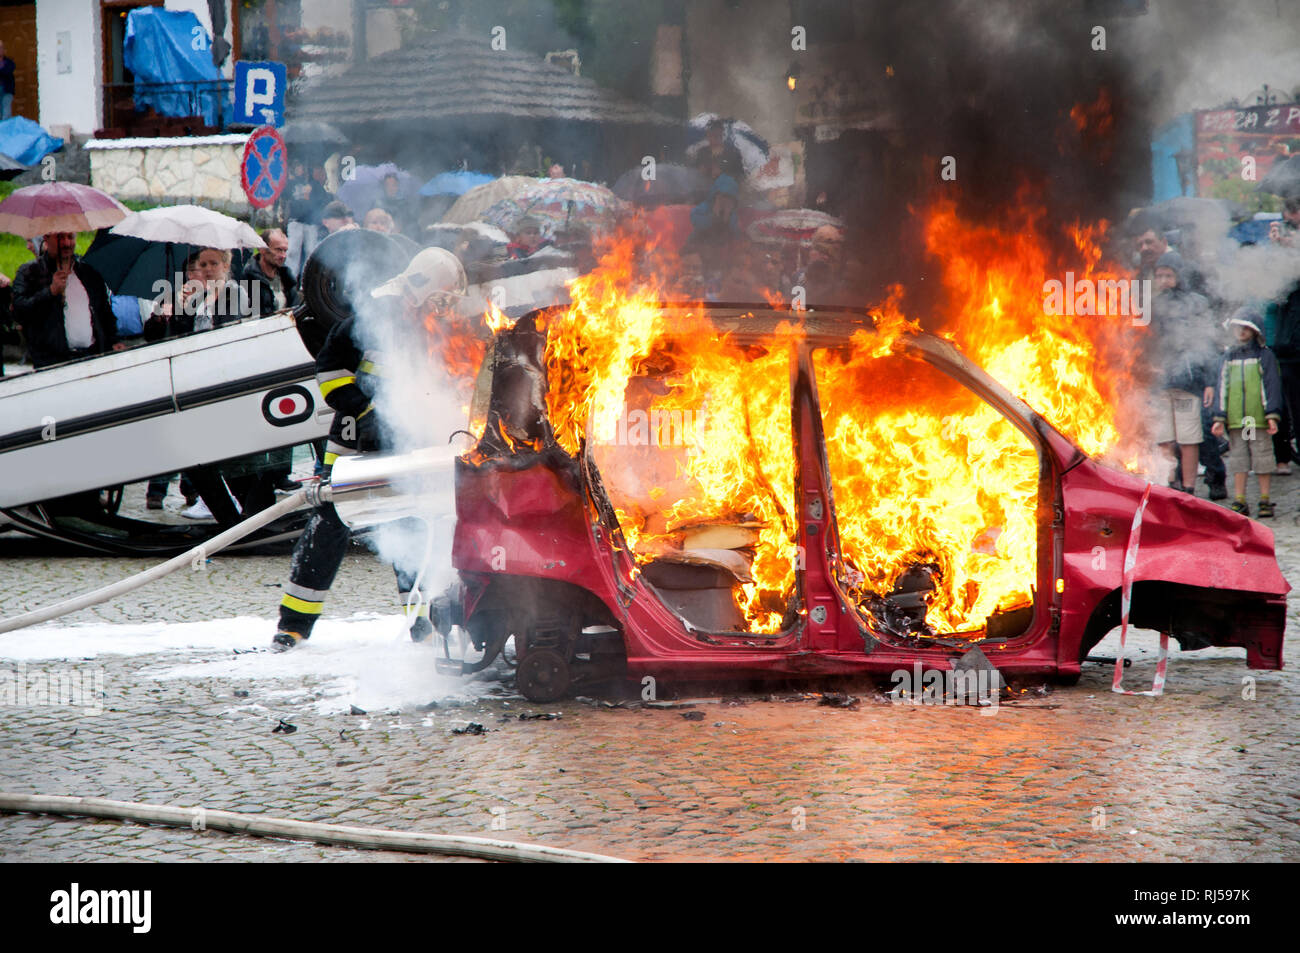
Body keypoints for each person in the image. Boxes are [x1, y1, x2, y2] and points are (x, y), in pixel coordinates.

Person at [271, 247, 468, 652]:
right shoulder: (368, 319)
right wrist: (365, 410)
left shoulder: (430, 326)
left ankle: (422, 621)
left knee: (411, 526)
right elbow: (328, 372)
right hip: (349, 446)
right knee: (328, 529)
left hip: (403, 445)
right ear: (423, 288)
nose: (443, 307)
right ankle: (293, 626)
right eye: (441, 296)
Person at [1146, 251, 1215, 494]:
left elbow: (1207, 342)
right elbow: (1146, 342)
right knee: (1165, 438)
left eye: (1168, 275)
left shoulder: (1196, 303)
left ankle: (1188, 488)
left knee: (1188, 438)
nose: (1163, 280)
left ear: (1179, 276)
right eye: (1159, 275)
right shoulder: (1152, 305)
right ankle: (1168, 484)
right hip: (1162, 383)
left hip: (1190, 383)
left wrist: (1209, 381)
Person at [1211, 309, 1283, 518]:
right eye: (1237, 328)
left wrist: (1271, 414)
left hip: (1255, 419)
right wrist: (1219, 417)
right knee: (1239, 459)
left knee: (1261, 457)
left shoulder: (1264, 355)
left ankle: (1264, 499)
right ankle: (1240, 499)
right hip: (1236, 420)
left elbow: (1271, 386)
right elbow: (1222, 387)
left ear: (1254, 331)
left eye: (1246, 328)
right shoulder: (1228, 357)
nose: (1241, 332)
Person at [14, 232, 123, 368]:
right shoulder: (30, 272)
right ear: (46, 238)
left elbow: (104, 312)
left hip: (93, 358)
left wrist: (113, 341)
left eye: (70, 237)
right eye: (60, 238)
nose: (66, 243)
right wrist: (50, 292)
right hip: (53, 364)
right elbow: (19, 311)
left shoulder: (87, 271)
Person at [239, 228, 298, 317]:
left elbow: (295, 308)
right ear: (262, 249)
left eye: (285, 250)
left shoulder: (286, 276)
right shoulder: (248, 277)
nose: (283, 256)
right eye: (278, 250)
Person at [0, 41, 15, 120]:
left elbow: (7, 71)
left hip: (7, 91)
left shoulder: (9, 62)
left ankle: (6, 131)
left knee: (6, 113)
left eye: (1, 47)